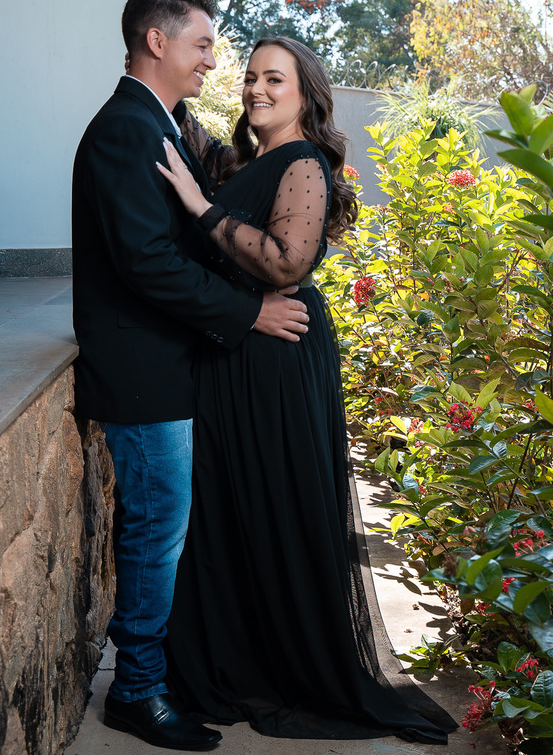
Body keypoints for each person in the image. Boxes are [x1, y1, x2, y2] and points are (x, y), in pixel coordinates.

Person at [156, 36, 457, 743]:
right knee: (229, 506)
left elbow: (287, 263)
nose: (257, 89)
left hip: (277, 353)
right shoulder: (245, 159)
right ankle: (235, 655)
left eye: (275, 79)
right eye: (251, 77)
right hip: (235, 350)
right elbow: (177, 121)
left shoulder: (304, 163)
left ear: (305, 93)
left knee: (275, 502)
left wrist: (200, 207)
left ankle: (285, 664)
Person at [71, 0, 310, 751]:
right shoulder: (125, 129)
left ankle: (158, 676)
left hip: (171, 363)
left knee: (164, 528)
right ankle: (137, 691)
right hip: (141, 372)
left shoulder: (162, 124)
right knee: (156, 531)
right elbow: (146, 261)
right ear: (157, 41)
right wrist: (248, 313)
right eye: (203, 44)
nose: (213, 60)